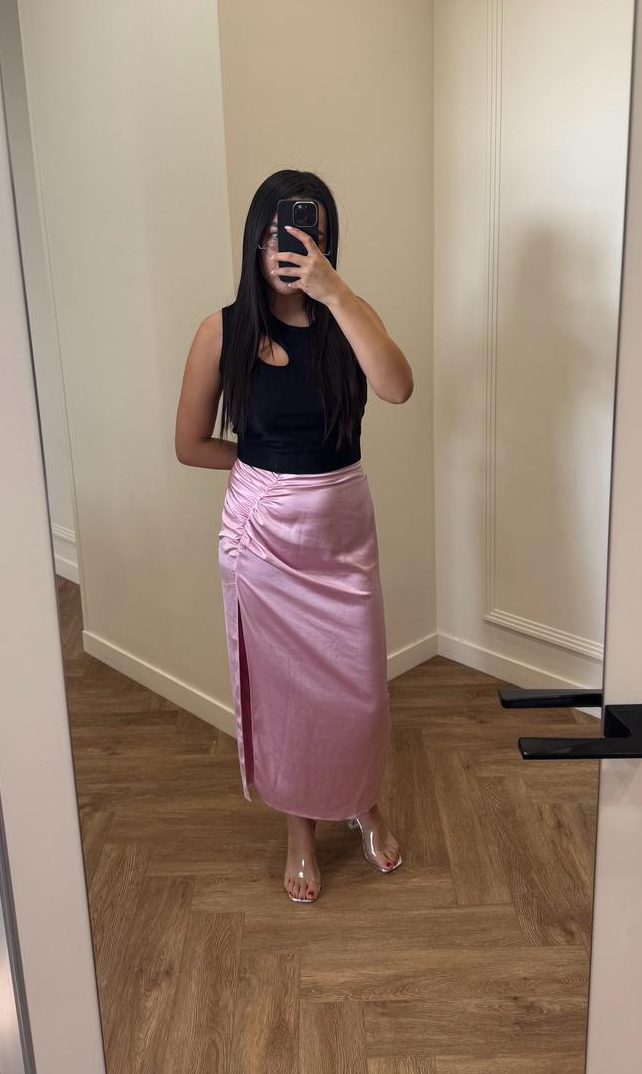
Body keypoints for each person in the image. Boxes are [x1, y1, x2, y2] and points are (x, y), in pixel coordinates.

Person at [175, 169, 413, 902]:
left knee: (359, 690)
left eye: (310, 234)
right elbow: (190, 444)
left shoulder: (350, 315)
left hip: (344, 532)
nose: (293, 247)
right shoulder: (221, 331)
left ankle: (362, 803)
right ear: (257, 238)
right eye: (280, 233)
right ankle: (299, 830)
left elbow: (398, 387)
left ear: (326, 243)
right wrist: (266, 472)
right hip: (265, 538)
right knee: (284, 698)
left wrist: (336, 294)